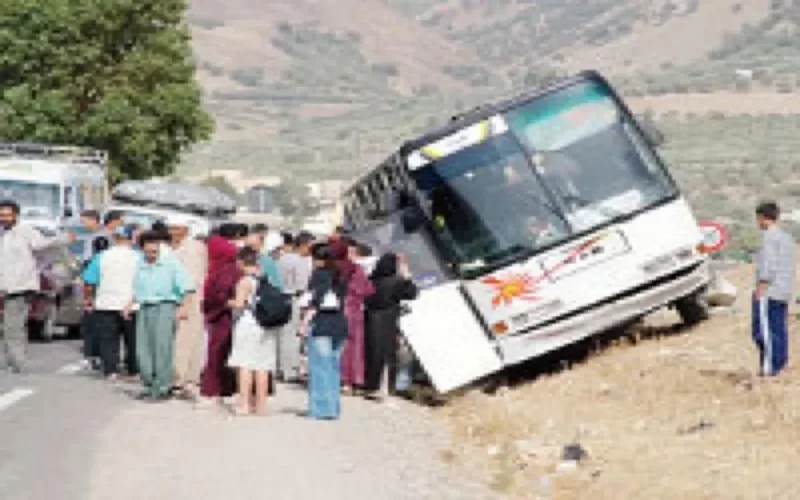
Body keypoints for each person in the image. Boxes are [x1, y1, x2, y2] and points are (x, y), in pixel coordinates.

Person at [0, 200, 74, 373]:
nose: (4, 218)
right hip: (7, 285)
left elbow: (43, 243)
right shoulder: (4, 234)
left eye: (7, 215)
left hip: (20, 286)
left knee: (12, 326)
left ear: (16, 216)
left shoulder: (25, 232)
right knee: (14, 326)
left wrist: (63, 239)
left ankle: (18, 363)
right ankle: (15, 360)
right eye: (1, 215)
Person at [127, 231, 194, 401]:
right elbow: (138, 288)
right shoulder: (139, 264)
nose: (151, 255)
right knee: (143, 349)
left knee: (161, 348)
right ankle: (149, 384)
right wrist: (129, 304)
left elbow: (187, 287)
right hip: (145, 307)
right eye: (148, 251)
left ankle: (162, 386)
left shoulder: (170, 264)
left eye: (155, 251)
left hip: (164, 306)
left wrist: (183, 308)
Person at [81, 226, 140, 381]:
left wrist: (88, 299)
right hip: (131, 305)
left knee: (108, 339)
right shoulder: (138, 257)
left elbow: (89, 281)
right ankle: (133, 370)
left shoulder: (101, 257)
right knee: (133, 340)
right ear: (130, 239)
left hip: (106, 303)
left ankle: (111, 370)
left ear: (114, 238)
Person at [226, 247, 278, 416]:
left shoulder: (245, 281)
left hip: (248, 324)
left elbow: (240, 304)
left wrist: (228, 302)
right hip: (265, 325)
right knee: (262, 366)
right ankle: (261, 405)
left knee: (245, 364)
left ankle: (244, 403)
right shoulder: (265, 278)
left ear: (240, 262)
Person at [301, 243, 349, 420]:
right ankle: (332, 408)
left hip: (322, 322)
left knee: (319, 367)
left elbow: (316, 298)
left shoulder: (320, 274)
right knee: (333, 368)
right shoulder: (340, 274)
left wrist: (305, 320)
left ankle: (319, 409)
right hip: (340, 323)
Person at [364, 253, 419, 401]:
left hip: (370, 318)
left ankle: (371, 385)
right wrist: (406, 276)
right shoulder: (396, 282)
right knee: (388, 354)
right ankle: (386, 387)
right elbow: (412, 293)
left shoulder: (371, 280)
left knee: (372, 352)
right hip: (388, 319)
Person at [752, 201, 796, 377]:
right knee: (779, 328)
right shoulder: (786, 238)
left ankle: (770, 368)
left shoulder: (769, 237)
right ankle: (781, 363)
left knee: (763, 330)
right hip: (784, 290)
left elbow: (768, 264)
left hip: (769, 290)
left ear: (763, 218)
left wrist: (762, 285)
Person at [200, 225, 241, 407]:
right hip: (224, 311)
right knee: (220, 349)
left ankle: (217, 385)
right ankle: (216, 387)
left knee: (215, 349)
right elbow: (222, 294)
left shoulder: (212, 258)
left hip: (212, 308)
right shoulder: (228, 265)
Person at [168, 214, 209, 399]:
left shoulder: (193, 248)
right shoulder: (174, 248)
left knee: (187, 340)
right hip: (175, 298)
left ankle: (184, 380)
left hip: (189, 299)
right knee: (179, 340)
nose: (172, 233)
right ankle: (179, 378)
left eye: (175, 229)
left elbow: (192, 279)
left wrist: (186, 303)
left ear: (185, 230)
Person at [330, 240, 374, 394]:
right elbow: (368, 290)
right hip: (355, 312)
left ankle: (338, 378)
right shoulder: (357, 269)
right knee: (354, 347)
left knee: (337, 346)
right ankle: (353, 380)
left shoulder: (334, 268)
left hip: (337, 310)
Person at [276, 231, 315, 382]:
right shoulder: (299, 261)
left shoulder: (283, 258)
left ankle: (279, 368)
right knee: (292, 336)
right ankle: (290, 370)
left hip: (280, 297)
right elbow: (302, 285)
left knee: (281, 334)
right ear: (304, 245)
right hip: (293, 298)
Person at [80, 235, 112, 372]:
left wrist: (87, 300)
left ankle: (92, 357)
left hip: (96, 300)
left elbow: (88, 284)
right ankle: (106, 358)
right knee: (106, 332)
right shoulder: (111, 260)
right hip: (110, 300)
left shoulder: (92, 261)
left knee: (91, 331)